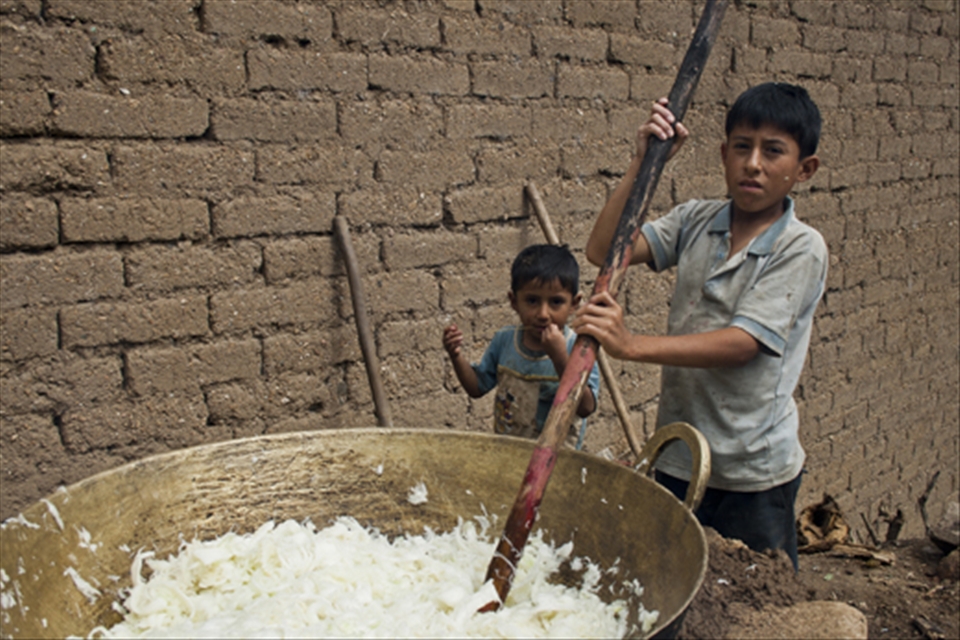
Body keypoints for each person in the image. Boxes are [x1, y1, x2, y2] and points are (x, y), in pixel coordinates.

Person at [572, 82, 825, 570]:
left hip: (752, 473)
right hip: (679, 457)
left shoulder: (800, 246)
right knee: (670, 586)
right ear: (723, 154)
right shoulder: (696, 221)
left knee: (757, 600)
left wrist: (630, 345)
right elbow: (605, 250)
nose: (753, 163)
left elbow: (744, 344)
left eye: (773, 151)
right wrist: (645, 164)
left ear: (804, 169)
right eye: (741, 147)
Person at [443, 244, 600, 449]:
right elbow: (476, 387)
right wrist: (456, 356)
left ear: (574, 304)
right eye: (532, 301)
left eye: (556, 302)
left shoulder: (578, 349)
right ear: (514, 301)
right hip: (509, 455)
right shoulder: (505, 341)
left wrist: (560, 357)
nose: (543, 314)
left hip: (557, 461)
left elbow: (586, 407)